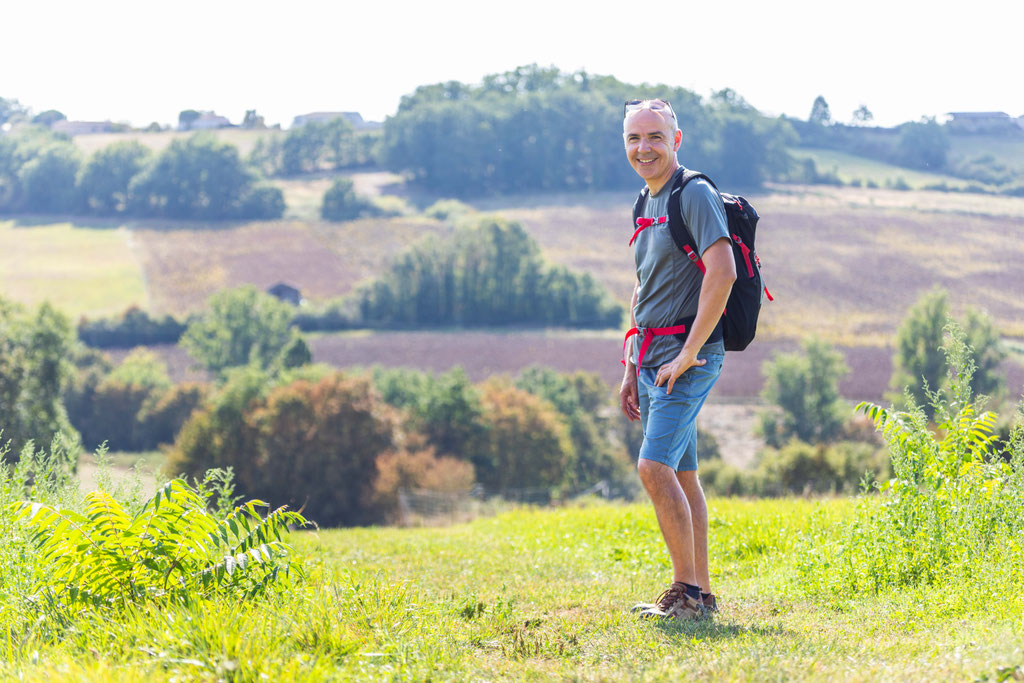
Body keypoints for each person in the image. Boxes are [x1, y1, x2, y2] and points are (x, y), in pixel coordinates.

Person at [618, 98, 736, 622]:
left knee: (653, 467)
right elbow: (644, 284)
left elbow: (723, 272)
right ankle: (701, 595)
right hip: (649, 355)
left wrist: (689, 353)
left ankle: (686, 593)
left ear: (677, 139)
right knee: (683, 474)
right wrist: (628, 364)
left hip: (686, 356)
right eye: (634, 139)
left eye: (655, 137)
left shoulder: (695, 195)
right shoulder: (645, 200)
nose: (644, 149)